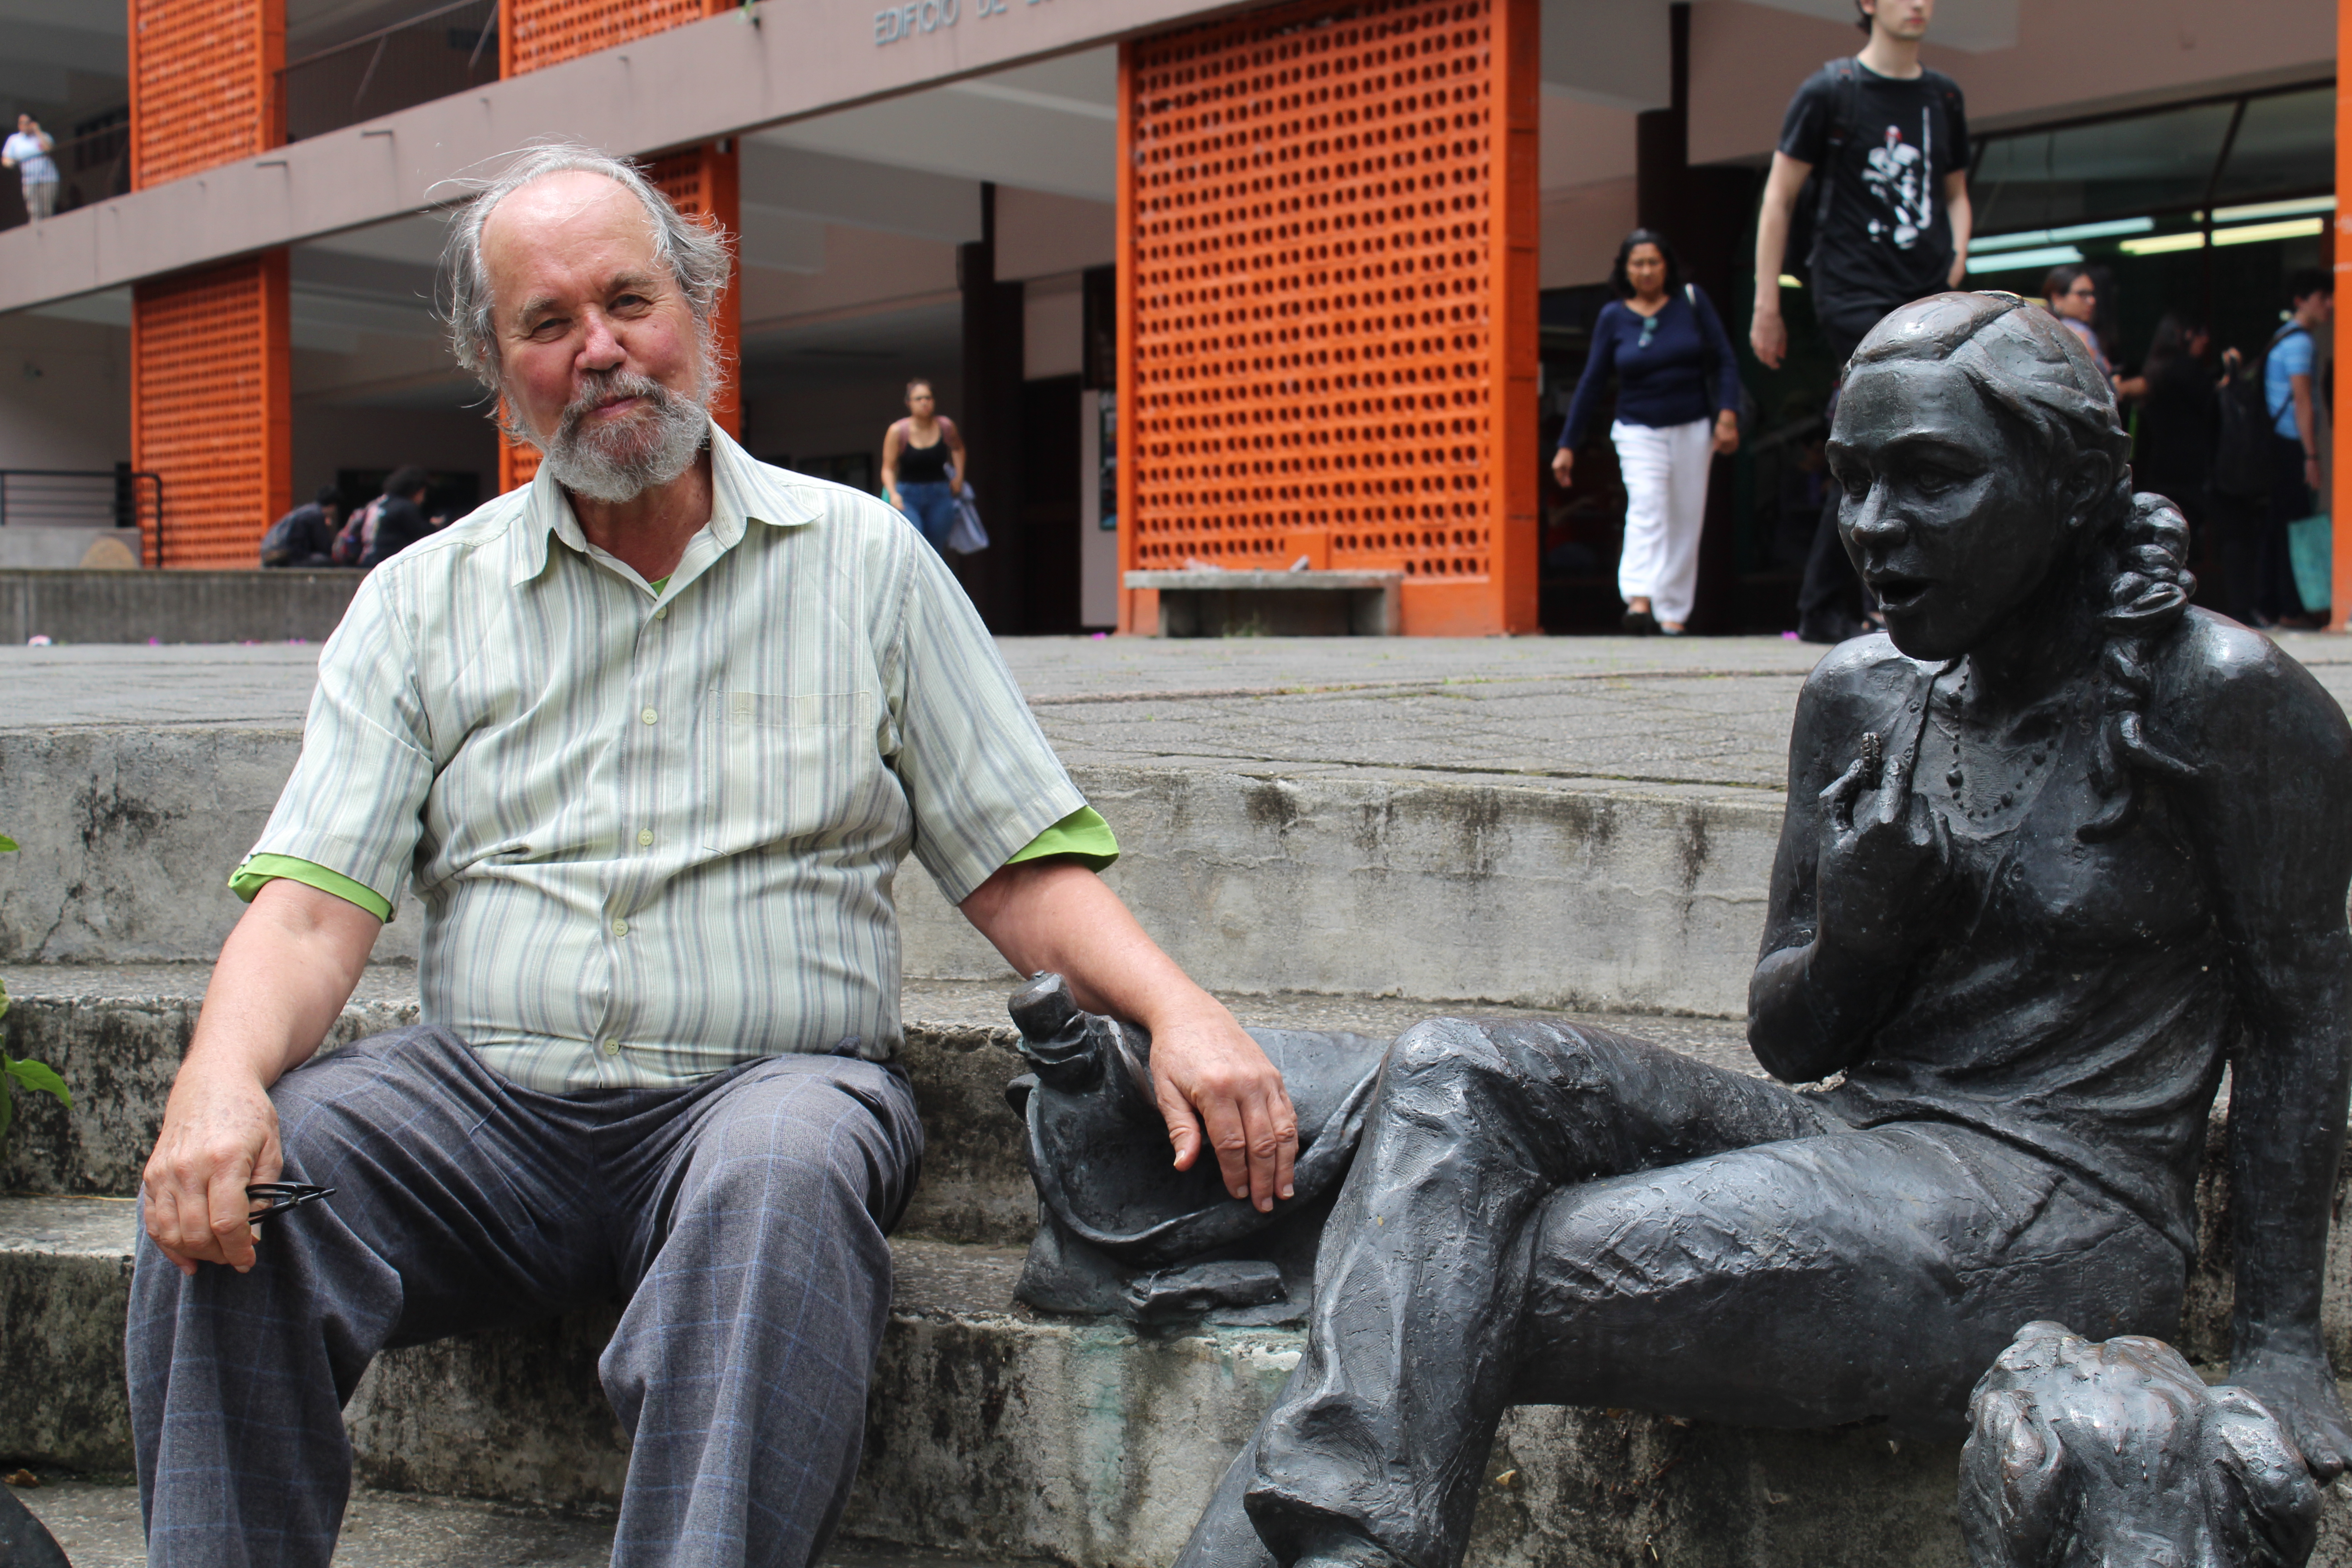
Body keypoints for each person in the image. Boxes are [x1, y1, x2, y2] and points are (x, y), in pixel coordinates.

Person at [128, 144, 1296, 1568]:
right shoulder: (419, 603)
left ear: (699, 313)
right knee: (242, 1176)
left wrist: (1178, 1009)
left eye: (629, 301)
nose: (600, 350)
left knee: (782, 1174)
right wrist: (216, 1083)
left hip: (767, 1094)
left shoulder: (864, 561)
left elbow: (1015, 865)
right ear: (498, 374)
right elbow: (313, 910)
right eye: (547, 326)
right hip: (479, 1108)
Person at [1174, 293, 2352, 1568]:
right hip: (1854, 1134)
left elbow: (2302, 1018)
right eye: (1852, 485)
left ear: (2070, 486)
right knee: (1455, 1069)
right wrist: (1864, 929)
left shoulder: (2222, 701)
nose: (1875, 532)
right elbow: (1791, 1039)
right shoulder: (1860, 695)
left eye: (1933, 481)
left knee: (1453, 1267)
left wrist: (2286, 1348)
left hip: (2063, 1210)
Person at [1752, 0, 1971, 644]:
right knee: (1890, 424)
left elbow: (1956, 191)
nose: (1918, 4)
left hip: (1926, 286)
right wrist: (1767, 302)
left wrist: (1956, 259)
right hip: (1850, 288)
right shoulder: (1830, 91)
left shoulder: (1943, 97)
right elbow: (1779, 195)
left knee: (1885, 438)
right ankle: (1841, 601)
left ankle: (1829, 604)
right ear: (1867, 4)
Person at [1550, 229, 1740, 636]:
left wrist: (1728, 414)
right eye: (1638, 263)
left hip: (1692, 425)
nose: (1647, 270)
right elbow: (1591, 382)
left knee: (1685, 515)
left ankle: (1673, 613)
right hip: (1637, 427)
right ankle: (1638, 599)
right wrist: (1567, 444)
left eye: (1654, 262)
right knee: (1647, 504)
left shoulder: (1691, 302)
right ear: (1625, 270)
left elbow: (1725, 359)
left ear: (1666, 265)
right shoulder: (1613, 317)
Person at [2254, 268, 2334, 629]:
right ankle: (2292, 608)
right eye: (2323, 297)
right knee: (2295, 528)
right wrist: (2312, 456)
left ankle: (2271, 605)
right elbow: (2303, 401)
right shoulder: (2301, 343)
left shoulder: (2281, 338)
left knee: (2278, 527)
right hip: (2291, 447)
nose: (2330, 305)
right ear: (2302, 301)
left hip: (2278, 446)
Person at [880, 379, 966, 554]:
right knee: (915, 545)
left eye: (928, 398)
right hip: (908, 494)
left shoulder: (945, 426)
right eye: (918, 399)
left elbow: (958, 448)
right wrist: (894, 494)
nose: (924, 403)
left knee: (935, 550)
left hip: (940, 492)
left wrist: (959, 477)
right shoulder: (898, 431)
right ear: (909, 403)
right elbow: (888, 468)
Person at [356, 464, 434, 568]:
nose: (423, 499)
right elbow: (421, 536)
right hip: (389, 562)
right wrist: (433, 526)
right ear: (416, 490)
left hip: (367, 560)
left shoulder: (377, 504)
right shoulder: (406, 507)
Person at [260, 484, 345, 568]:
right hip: (287, 559)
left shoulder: (302, 511)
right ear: (333, 506)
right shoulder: (317, 515)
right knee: (328, 562)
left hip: (271, 556)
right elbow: (324, 548)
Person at [3, 114, 59, 221]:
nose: (24, 125)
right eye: (21, 123)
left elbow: (49, 148)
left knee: (48, 210)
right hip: (29, 180)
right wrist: (11, 163)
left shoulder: (44, 136)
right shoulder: (15, 140)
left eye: (27, 123)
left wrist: (38, 132)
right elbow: (6, 158)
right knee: (34, 210)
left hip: (48, 178)